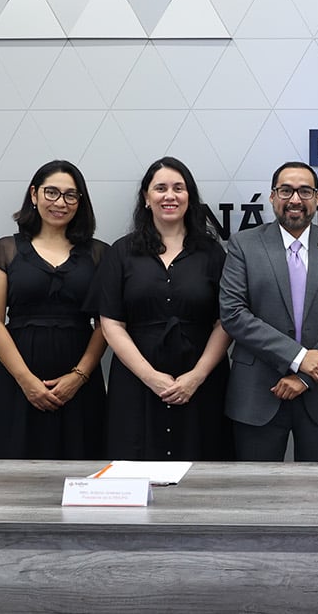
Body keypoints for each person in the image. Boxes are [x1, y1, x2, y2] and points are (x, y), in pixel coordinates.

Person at [90, 157, 234, 460]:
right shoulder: (121, 252)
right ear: (146, 198)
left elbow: (226, 321)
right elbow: (111, 323)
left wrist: (196, 376)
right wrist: (150, 376)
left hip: (201, 381)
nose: (170, 195)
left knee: (203, 469)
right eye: (161, 188)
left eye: (179, 188)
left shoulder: (212, 252)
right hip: (136, 380)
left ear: (190, 197)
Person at [220, 162, 318, 462]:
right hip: (258, 391)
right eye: (286, 190)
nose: (295, 199)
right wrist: (298, 359)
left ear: (317, 198)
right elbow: (233, 313)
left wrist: (306, 376)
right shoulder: (244, 245)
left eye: (305, 191)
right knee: (256, 495)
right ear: (272, 197)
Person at [0, 160, 109, 459]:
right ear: (34, 195)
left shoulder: (100, 253)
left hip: (79, 381)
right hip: (16, 379)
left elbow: (106, 324)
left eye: (70, 195)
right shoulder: (5, 250)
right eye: (51, 193)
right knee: (12, 474)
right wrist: (27, 381)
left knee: (82, 469)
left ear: (80, 202)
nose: (60, 202)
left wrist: (78, 377)